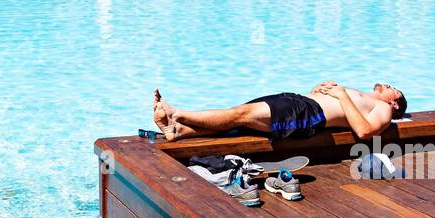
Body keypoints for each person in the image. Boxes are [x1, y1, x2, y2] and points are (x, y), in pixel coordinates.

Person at [152, 80, 407, 142]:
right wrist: (318, 89)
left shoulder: (383, 109)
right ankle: (180, 131)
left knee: (241, 115)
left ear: (394, 104)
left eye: (394, 89)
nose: (388, 84)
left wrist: (340, 94)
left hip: (306, 115)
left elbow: (364, 132)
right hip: (299, 103)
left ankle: (179, 114)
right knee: (240, 117)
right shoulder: (364, 96)